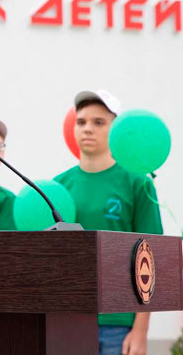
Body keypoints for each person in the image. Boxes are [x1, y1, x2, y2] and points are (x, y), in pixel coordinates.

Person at [54, 90, 162, 355]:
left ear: (116, 130)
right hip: (67, 319)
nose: (87, 129)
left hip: (118, 322)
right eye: (81, 122)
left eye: (99, 122)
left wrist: (140, 330)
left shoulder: (138, 183)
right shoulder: (58, 187)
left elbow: (152, 257)